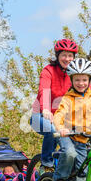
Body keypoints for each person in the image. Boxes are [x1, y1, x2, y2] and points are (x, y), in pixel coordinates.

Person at [30, 38, 78, 172]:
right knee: (52, 130)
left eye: (70, 56)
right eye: (64, 55)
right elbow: (43, 90)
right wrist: (45, 108)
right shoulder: (49, 70)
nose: (67, 59)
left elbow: (89, 90)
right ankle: (47, 164)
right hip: (39, 115)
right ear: (58, 56)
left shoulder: (75, 74)